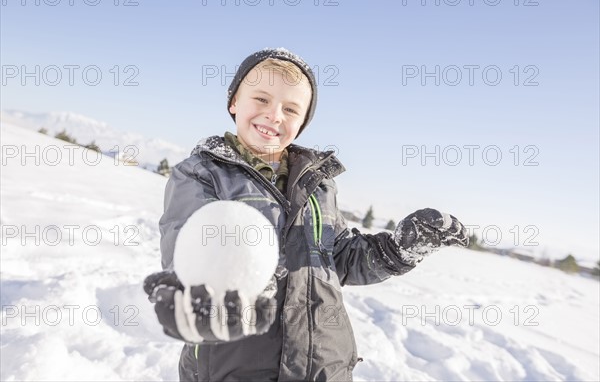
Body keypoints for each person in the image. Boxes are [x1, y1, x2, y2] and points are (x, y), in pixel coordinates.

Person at [143, 47, 469, 382]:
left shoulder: (318, 184)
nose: (274, 115)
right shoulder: (203, 173)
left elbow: (339, 258)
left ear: (301, 123)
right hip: (235, 365)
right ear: (234, 103)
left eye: (290, 108)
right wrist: (198, 297)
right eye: (261, 99)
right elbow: (188, 246)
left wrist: (397, 251)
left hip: (323, 368)